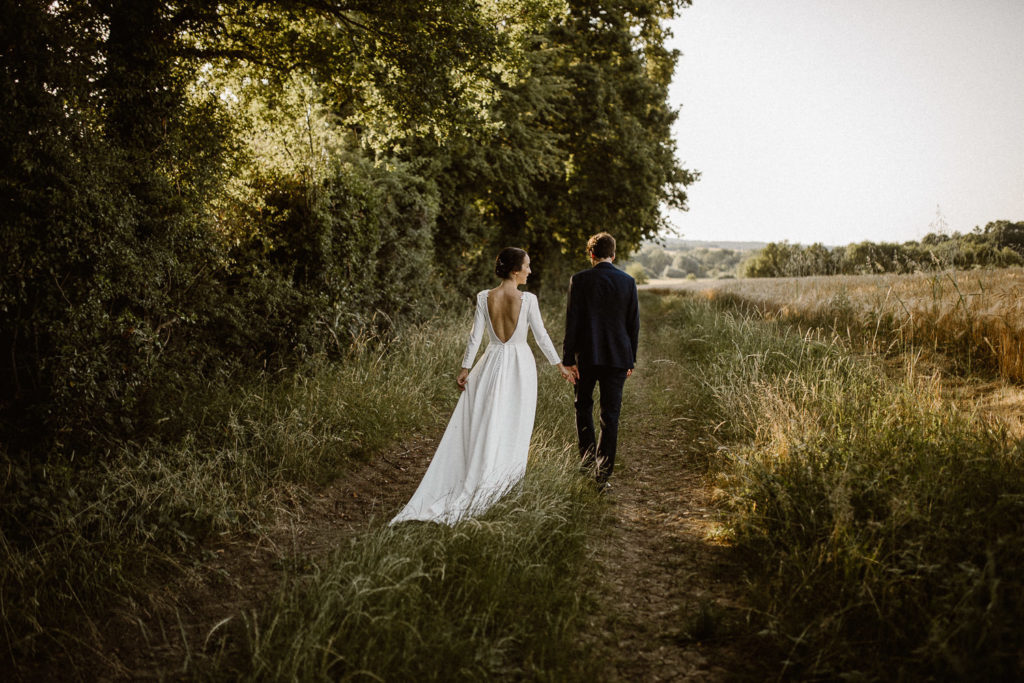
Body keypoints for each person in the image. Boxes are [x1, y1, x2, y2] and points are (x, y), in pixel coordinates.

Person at [390, 248, 574, 525]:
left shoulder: (483, 297)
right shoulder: (528, 300)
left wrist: (466, 368)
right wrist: (558, 364)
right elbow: (541, 335)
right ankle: (501, 484)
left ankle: (485, 474)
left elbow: (476, 336)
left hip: (489, 363)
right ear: (515, 270)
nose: (530, 271)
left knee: (487, 422)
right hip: (519, 366)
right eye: (527, 266)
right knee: (513, 424)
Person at [562, 232, 639, 490]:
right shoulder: (628, 282)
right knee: (611, 416)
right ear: (613, 254)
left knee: (582, 407)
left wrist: (567, 359)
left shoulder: (579, 280)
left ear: (591, 254)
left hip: (585, 357)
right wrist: (631, 360)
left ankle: (586, 463)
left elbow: (571, 323)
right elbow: (633, 325)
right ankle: (602, 475)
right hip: (617, 358)